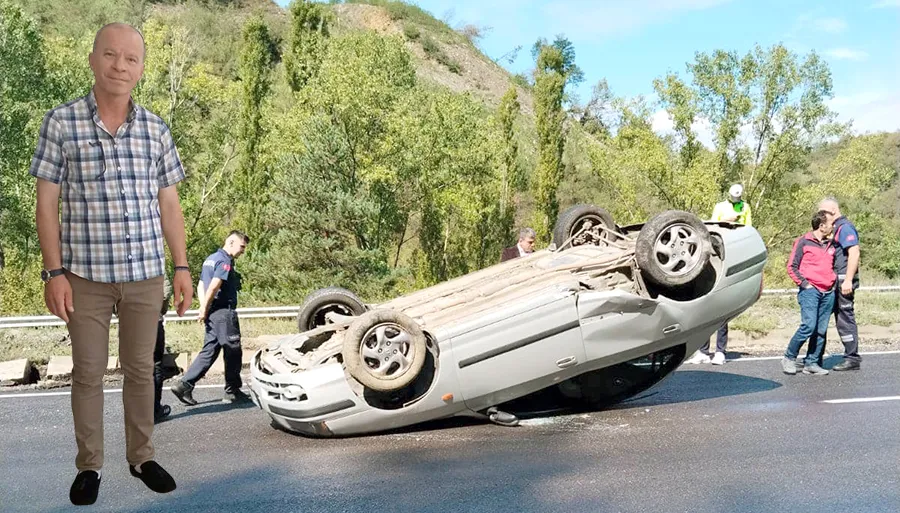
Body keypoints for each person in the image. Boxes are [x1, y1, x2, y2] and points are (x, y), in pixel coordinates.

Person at [30, 23, 192, 506]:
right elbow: (46, 205)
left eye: (131, 59)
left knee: (142, 370)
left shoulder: (156, 128)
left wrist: (181, 267)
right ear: (93, 58)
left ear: (140, 69)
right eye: (111, 55)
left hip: (146, 272)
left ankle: (141, 457)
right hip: (84, 277)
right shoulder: (61, 123)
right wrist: (54, 273)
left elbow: (169, 205)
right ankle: (90, 466)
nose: (120, 65)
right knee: (88, 372)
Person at [171, 231, 251, 405]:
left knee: (210, 350)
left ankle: (184, 385)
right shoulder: (224, 261)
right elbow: (214, 286)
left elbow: (201, 284)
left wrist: (204, 307)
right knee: (233, 350)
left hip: (213, 312)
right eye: (241, 247)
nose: (243, 251)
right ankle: (232, 391)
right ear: (231, 242)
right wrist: (203, 308)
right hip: (223, 312)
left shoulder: (211, 258)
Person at [686, 184, 753, 365]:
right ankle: (702, 350)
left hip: (730, 254)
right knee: (705, 311)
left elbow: (748, 229)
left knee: (722, 311)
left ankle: (720, 351)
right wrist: (727, 219)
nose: (736, 200)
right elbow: (713, 225)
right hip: (714, 255)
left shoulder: (745, 207)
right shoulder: (720, 207)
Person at [782, 210, 836, 376]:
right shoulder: (803, 242)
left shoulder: (831, 244)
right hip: (811, 291)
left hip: (828, 292)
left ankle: (811, 362)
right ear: (821, 226)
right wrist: (805, 284)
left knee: (821, 329)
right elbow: (792, 267)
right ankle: (789, 357)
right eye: (830, 224)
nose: (833, 226)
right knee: (808, 326)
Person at [819, 197, 862, 371]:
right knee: (824, 317)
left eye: (823, 213)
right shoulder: (836, 229)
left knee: (844, 317)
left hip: (844, 280)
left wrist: (849, 280)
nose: (821, 216)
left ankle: (852, 358)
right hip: (835, 279)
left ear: (833, 211)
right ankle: (814, 358)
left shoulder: (845, 228)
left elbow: (854, 253)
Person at [154, 279, 173, 423]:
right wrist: (160, 308)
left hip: (128, 322)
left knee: (134, 368)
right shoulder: (153, 259)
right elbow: (166, 290)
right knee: (155, 365)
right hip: (153, 319)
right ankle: (154, 410)